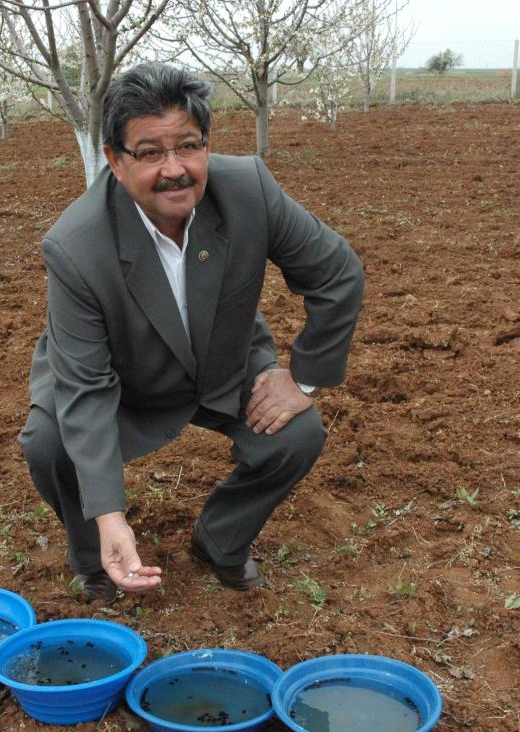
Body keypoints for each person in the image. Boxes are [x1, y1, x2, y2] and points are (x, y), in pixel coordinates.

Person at [19, 63, 364, 602]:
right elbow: (85, 388)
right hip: (121, 377)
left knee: (297, 434)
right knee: (50, 442)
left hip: (223, 359)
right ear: (114, 159)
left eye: (188, 146)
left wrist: (303, 380)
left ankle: (220, 540)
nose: (174, 169)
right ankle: (96, 556)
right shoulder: (76, 246)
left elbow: (337, 271)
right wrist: (111, 512)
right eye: (150, 152)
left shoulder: (247, 190)